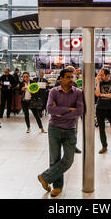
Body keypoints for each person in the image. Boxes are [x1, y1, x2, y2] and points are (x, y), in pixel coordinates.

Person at [37, 68, 84, 197]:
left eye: (72, 77)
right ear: (61, 78)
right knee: (55, 159)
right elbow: (50, 109)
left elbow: (79, 111)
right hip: (54, 128)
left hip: (70, 129)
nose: (71, 80)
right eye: (68, 77)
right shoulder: (53, 91)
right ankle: (57, 187)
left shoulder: (78, 93)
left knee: (68, 159)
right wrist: (69, 110)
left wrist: (60, 111)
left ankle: (44, 177)